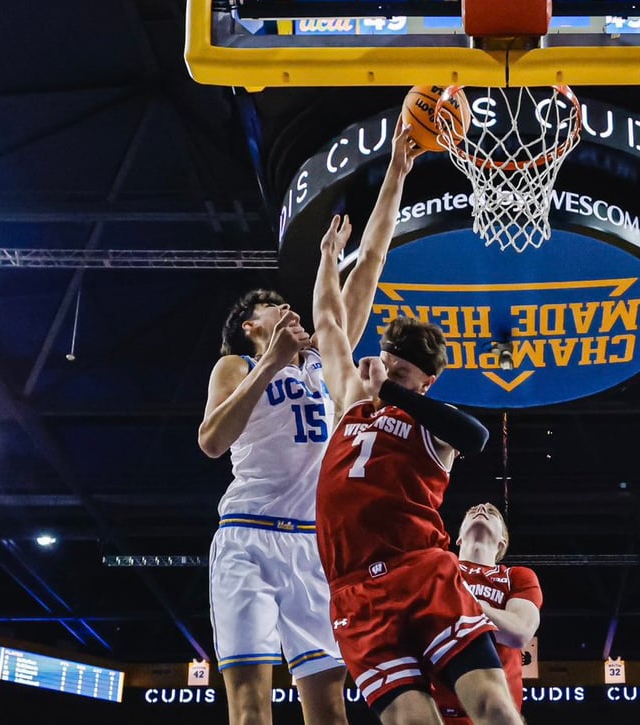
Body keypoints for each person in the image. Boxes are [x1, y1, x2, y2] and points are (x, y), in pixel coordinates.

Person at [197, 123, 420, 725]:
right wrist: (268, 364)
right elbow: (212, 440)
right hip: (246, 536)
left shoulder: (327, 358)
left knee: (328, 706)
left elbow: (370, 261)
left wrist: (397, 171)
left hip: (313, 543)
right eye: (273, 305)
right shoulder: (237, 363)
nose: (287, 305)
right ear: (251, 325)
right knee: (250, 704)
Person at [311, 215, 522, 725]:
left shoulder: (431, 426)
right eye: (382, 364)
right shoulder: (349, 406)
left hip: (420, 571)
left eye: (400, 372)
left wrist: (391, 390)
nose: (379, 372)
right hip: (355, 592)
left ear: (424, 382)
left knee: (492, 706)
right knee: (411, 722)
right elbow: (327, 323)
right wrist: (326, 258)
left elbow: (477, 437)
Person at [432, 503, 542, 724]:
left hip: (495, 715)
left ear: (502, 541)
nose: (482, 507)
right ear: (459, 538)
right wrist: (485, 614)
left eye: (492, 512)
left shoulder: (517, 577)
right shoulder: (437, 568)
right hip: (434, 714)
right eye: (471, 511)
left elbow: (518, 632)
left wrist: (463, 604)